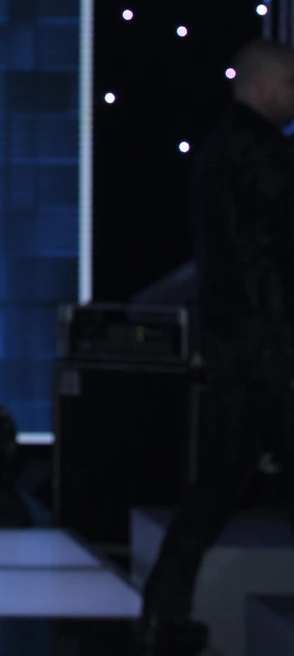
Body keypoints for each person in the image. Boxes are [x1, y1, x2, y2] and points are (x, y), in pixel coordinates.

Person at [139, 39, 294, 654]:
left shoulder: (217, 150)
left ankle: (162, 612)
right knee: (220, 485)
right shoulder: (263, 152)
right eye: (290, 84)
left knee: (214, 487)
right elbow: (270, 261)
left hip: (233, 346)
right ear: (263, 83)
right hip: (269, 349)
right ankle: (163, 613)